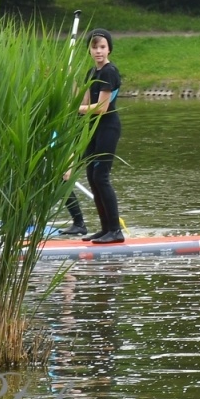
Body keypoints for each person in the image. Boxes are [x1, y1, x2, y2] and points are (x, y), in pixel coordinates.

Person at [78, 28, 124, 244]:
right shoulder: (92, 73)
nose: (98, 51)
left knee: (101, 177)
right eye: (94, 47)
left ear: (109, 49)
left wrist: (77, 108)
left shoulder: (109, 72)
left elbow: (102, 108)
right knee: (91, 176)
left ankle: (115, 231)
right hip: (94, 128)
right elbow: (84, 102)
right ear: (89, 50)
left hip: (108, 127)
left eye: (102, 47)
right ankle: (105, 229)